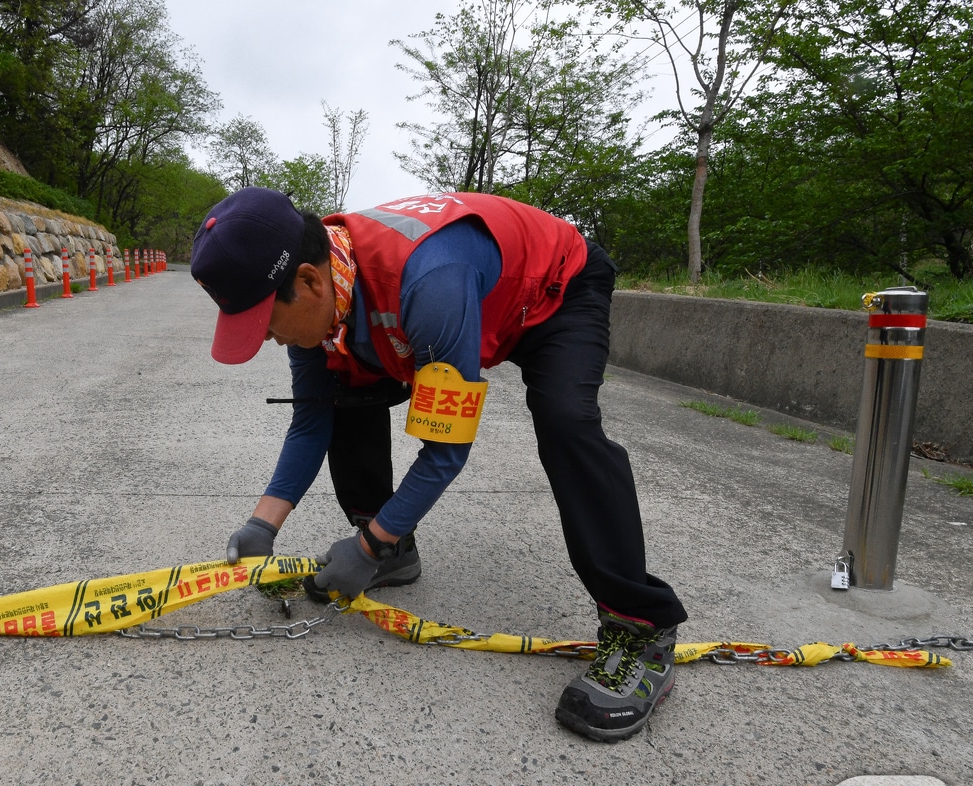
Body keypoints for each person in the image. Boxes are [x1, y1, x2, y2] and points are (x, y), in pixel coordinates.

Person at [189, 186, 687, 742]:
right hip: (450, 299)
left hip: (551, 290)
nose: (270, 341)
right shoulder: (324, 290)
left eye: (266, 324)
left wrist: (363, 549)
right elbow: (311, 421)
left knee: (566, 424)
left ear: (308, 281)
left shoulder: (428, 284)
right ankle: (392, 547)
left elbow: (446, 448)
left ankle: (641, 629)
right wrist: (263, 524)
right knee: (343, 393)